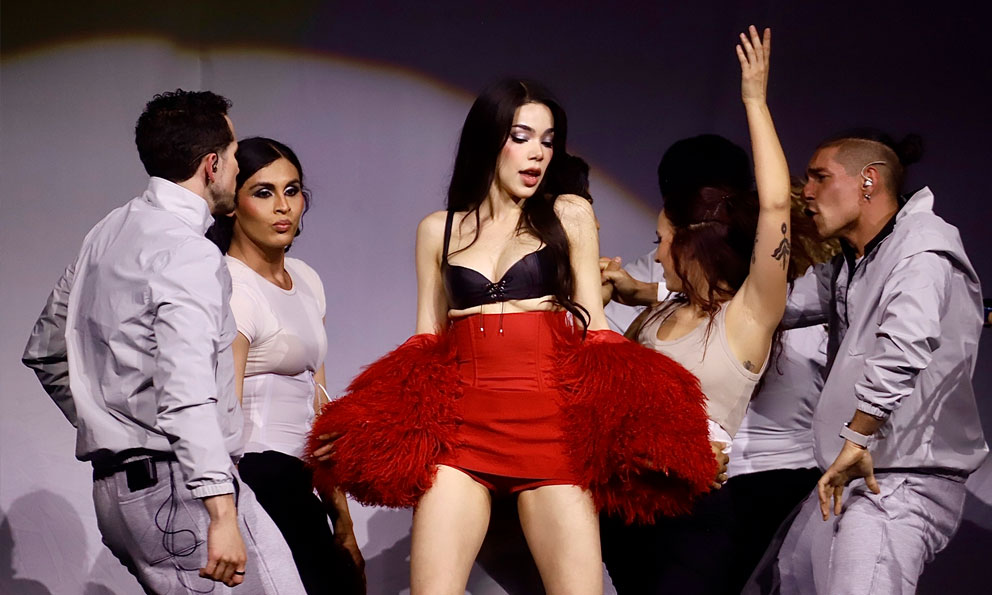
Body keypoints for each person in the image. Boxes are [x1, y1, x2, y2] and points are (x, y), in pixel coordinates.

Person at [306, 78, 722, 595]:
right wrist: (361, 424)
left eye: (548, 141)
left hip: (550, 437)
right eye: (522, 137)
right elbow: (424, 344)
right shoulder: (438, 229)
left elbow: (596, 332)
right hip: (462, 438)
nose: (538, 153)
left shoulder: (569, 214)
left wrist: (670, 431)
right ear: (489, 139)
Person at [21, 91, 305, 594]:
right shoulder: (187, 252)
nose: (237, 168)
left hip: (129, 492)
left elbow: (46, 350)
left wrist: (112, 423)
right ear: (211, 165)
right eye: (234, 155)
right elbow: (186, 392)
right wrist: (221, 511)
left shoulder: (109, 231)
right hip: (182, 490)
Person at [601, 26, 794, 593]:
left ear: (691, 242)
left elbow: (775, 206)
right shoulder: (658, 312)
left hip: (691, 525)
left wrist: (754, 101)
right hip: (623, 516)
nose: (657, 252)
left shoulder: (748, 316)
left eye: (661, 240)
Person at [762, 127, 988, 594]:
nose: (806, 192)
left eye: (820, 177)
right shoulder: (853, 260)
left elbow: (905, 346)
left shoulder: (922, 248)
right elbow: (767, 310)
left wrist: (857, 436)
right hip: (855, 471)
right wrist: (656, 292)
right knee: (790, 577)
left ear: (868, 180)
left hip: (899, 482)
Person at [206, 137, 365, 594]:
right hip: (258, 478)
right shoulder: (230, 287)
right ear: (232, 205)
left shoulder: (307, 280)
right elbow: (220, 417)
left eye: (292, 191)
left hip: (302, 479)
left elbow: (320, 411)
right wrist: (224, 518)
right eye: (263, 192)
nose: (283, 207)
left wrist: (344, 523)